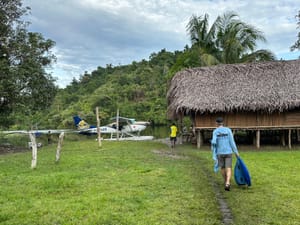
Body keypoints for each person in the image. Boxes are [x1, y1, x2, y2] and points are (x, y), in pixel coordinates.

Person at [211, 117, 239, 191]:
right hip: (228, 152)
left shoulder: (215, 131)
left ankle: (225, 181)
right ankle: (228, 182)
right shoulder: (228, 130)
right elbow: (232, 142)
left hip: (220, 153)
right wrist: (236, 152)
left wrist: (214, 152)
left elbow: (214, 142)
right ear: (223, 123)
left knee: (222, 168)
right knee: (228, 168)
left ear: (216, 123)